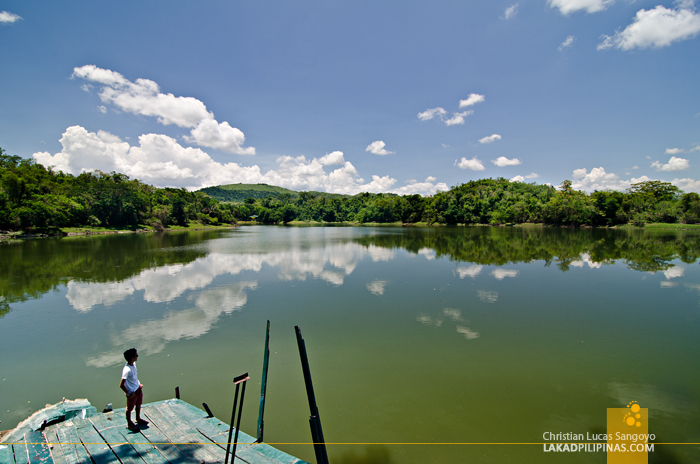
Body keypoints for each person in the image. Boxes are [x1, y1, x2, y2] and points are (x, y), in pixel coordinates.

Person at [119, 348, 148, 431]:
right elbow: (121, 385)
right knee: (129, 408)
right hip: (132, 391)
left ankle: (138, 418)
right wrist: (128, 393)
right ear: (132, 358)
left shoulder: (134, 364)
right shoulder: (127, 370)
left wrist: (138, 384)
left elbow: (134, 377)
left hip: (137, 388)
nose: (137, 356)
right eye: (136, 355)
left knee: (138, 404)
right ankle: (129, 423)